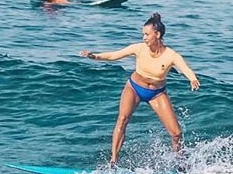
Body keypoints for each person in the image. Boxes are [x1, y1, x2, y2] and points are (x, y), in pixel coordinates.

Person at [80, 12, 200, 165]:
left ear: (157, 34)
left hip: (156, 93)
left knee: (176, 133)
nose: (144, 37)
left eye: (146, 34)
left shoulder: (171, 55)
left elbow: (184, 67)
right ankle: (113, 161)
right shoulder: (139, 48)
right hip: (134, 88)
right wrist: (94, 56)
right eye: (143, 34)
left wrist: (192, 78)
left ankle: (180, 164)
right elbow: (115, 55)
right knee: (122, 119)